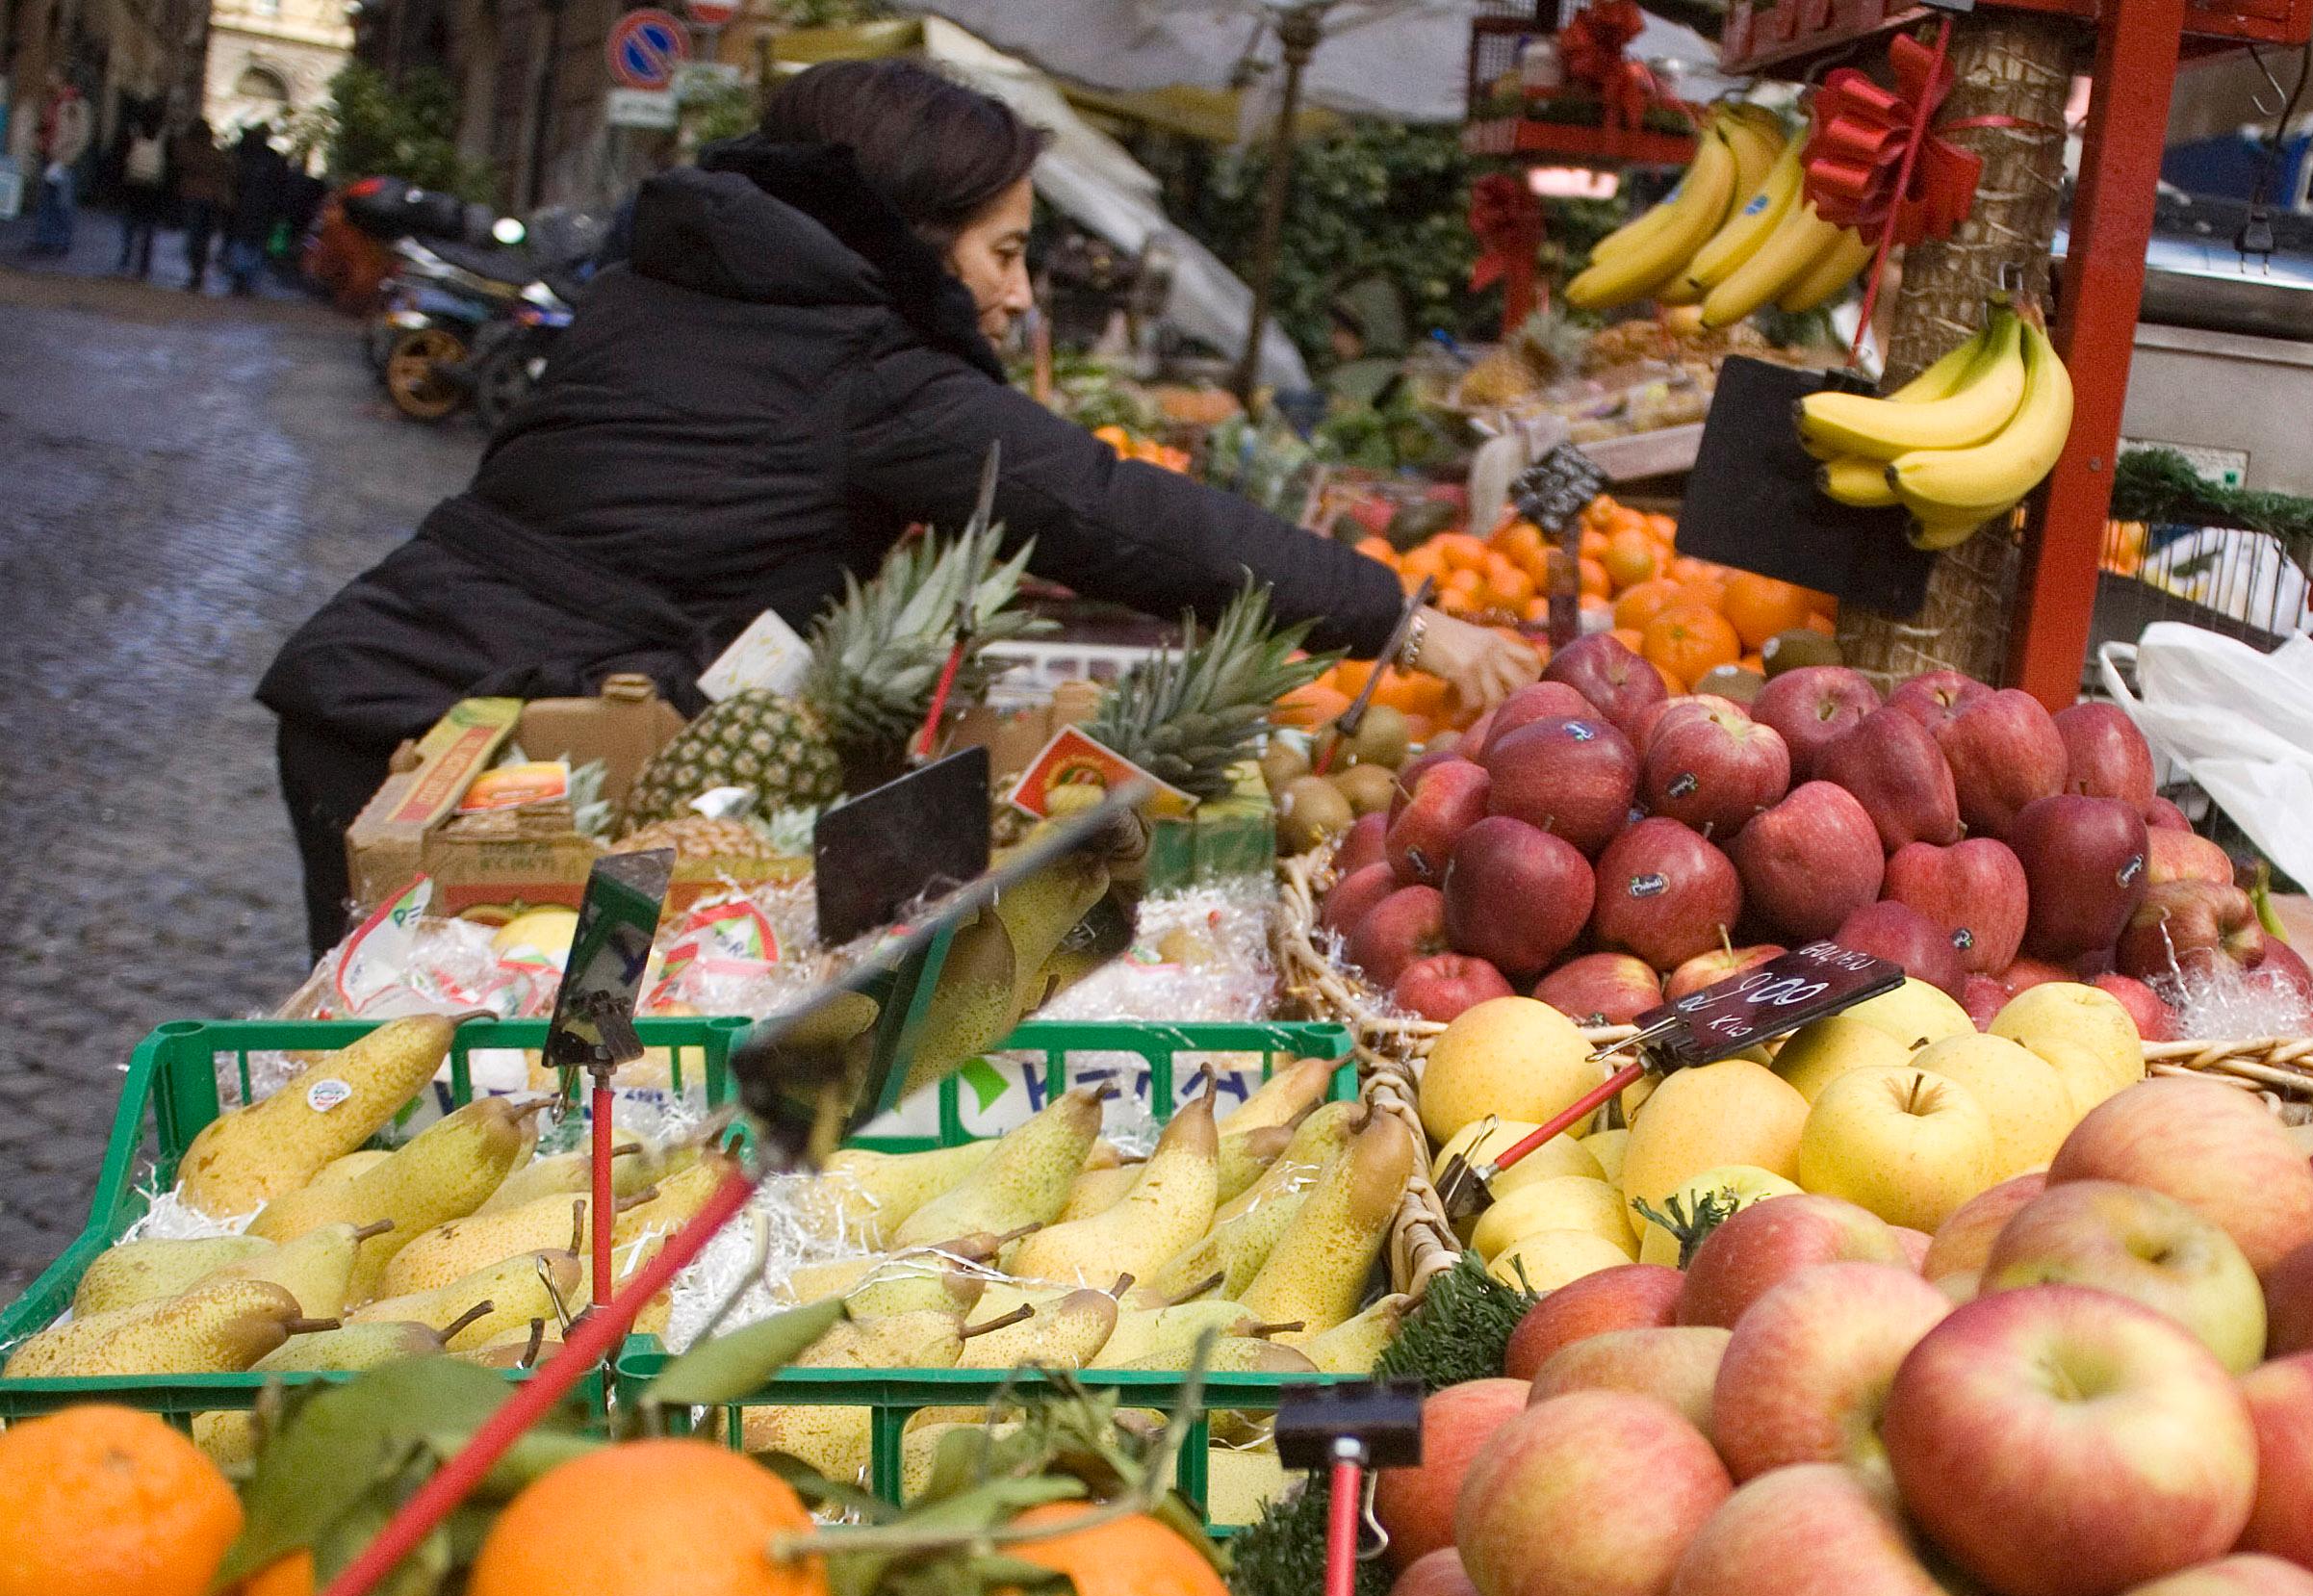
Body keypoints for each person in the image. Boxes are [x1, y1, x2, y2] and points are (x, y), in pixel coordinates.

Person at [257, 59, 1535, 953]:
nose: (1023, 294)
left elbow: (720, 507)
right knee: (457, 1123)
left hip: (421, 697)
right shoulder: (858, 364)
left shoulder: (701, 289)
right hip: (451, 748)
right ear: (911, 237)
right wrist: (1406, 620)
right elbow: (1109, 506)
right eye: (1005, 251)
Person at [28, 83, 90, 256]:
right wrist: (38, 140)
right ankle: (44, 239)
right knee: (46, 200)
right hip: (47, 156)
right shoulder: (50, 101)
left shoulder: (77, 103)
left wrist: (68, 157)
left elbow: (82, 134)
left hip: (64, 160)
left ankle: (62, 241)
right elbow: (42, 124)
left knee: (63, 202)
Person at [220, 125, 284, 295]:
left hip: (245, 207)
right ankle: (245, 278)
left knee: (242, 241)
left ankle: (240, 277)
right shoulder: (272, 158)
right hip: (261, 208)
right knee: (255, 243)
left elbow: (234, 179)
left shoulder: (244, 154)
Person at [113, 107, 169, 277]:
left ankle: (125, 258)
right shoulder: (163, 135)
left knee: (129, 225)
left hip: (133, 182)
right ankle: (144, 264)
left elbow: (121, 156)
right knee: (148, 228)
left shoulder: (133, 132)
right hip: (153, 186)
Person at [170, 116, 225, 289]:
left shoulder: (188, 149)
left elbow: (180, 164)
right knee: (202, 237)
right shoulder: (214, 153)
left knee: (194, 236)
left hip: (193, 196)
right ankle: (198, 272)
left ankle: (196, 272)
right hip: (209, 198)